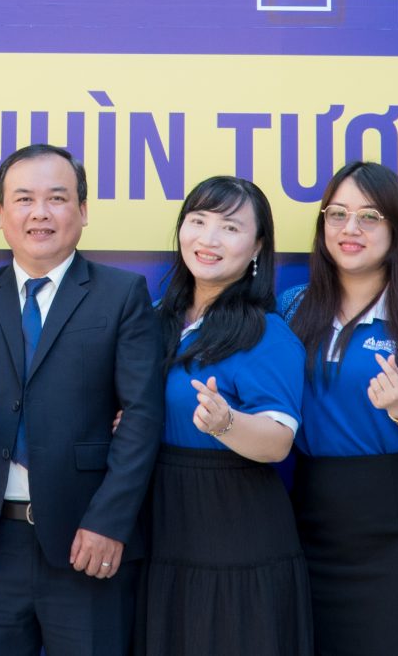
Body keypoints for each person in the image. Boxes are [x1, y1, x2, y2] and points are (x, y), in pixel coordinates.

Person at [0, 143, 166, 656]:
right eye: (24, 199)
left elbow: (142, 416)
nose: (40, 213)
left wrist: (108, 522)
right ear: (1, 214)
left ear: (83, 210)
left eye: (57, 198)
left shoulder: (122, 294)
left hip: (86, 540)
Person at [279, 162, 398, 656]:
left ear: (396, 228)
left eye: (369, 216)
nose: (350, 229)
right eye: (337, 214)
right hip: (312, 519)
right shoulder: (292, 308)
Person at [139, 176, 311, 656]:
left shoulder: (266, 333)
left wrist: (225, 423)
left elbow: (278, 441)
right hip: (157, 523)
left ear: (257, 247)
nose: (208, 239)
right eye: (198, 221)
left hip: (233, 532)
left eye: (230, 228)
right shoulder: (153, 319)